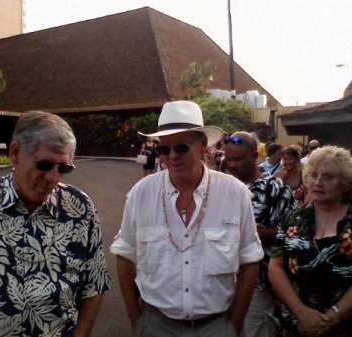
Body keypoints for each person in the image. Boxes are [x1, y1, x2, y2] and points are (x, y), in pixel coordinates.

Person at [0, 111, 110, 337]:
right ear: (15, 152)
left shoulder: (80, 209)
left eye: (63, 168)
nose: (53, 178)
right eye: (44, 165)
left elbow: (94, 284)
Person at [110, 100, 264, 337]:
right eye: (164, 149)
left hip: (216, 326)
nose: (171, 156)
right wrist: (137, 321)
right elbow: (124, 256)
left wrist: (234, 324)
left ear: (203, 145)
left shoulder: (235, 193)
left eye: (180, 147)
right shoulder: (141, 194)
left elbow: (249, 261)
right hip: (156, 324)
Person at [268, 145, 352, 337]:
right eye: (314, 175)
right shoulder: (293, 218)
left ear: (345, 183)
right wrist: (301, 313)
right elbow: (275, 268)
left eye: (328, 177)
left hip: (350, 327)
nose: (318, 182)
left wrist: (330, 318)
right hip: (295, 325)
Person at [222, 132, 295, 337]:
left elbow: (289, 233)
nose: (232, 165)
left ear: (255, 156)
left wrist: (243, 233)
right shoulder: (223, 187)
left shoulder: (276, 188)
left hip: (258, 283)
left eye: (238, 159)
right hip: (221, 278)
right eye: (228, 159)